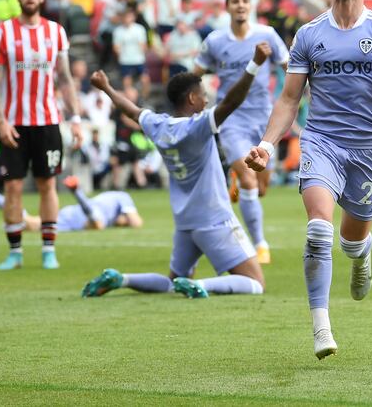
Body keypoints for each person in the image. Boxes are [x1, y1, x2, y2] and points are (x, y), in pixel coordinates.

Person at [245, 0, 372, 359]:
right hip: (322, 142)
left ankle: (361, 255)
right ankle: (321, 326)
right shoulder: (309, 34)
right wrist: (266, 145)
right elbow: (289, 99)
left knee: (352, 239)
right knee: (318, 228)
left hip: (370, 148)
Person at [81, 56, 269, 300]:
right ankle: (202, 285)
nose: (207, 99)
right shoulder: (198, 126)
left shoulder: (158, 125)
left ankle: (122, 278)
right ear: (192, 99)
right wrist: (254, 64)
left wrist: (106, 87)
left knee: (172, 281)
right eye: (203, 94)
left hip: (184, 223)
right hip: (214, 219)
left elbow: (130, 110)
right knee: (256, 283)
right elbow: (231, 102)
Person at [0, 0, 83, 271]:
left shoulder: (55, 32)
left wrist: (76, 118)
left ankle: (48, 249)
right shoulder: (3, 33)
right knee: (13, 187)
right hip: (14, 122)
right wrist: (0, 121)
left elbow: (65, 79)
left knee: (47, 184)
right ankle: (15, 252)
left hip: (48, 121)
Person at [193, 0, 289, 265]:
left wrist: (298, 96)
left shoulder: (267, 35)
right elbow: (195, 72)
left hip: (264, 118)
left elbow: (288, 67)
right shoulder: (215, 41)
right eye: (235, 1)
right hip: (231, 118)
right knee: (249, 178)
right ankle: (259, 244)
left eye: (245, 1)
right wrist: (195, 101)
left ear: (251, 6)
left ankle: (238, 181)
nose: (240, 5)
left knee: (261, 187)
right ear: (227, 8)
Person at [0, 176, 143, 232]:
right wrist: (124, 222)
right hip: (89, 211)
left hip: (73, 218)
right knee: (98, 224)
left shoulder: (115, 199)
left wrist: (120, 221)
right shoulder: (124, 197)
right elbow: (136, 223)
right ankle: (76, 191)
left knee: (31, 225)